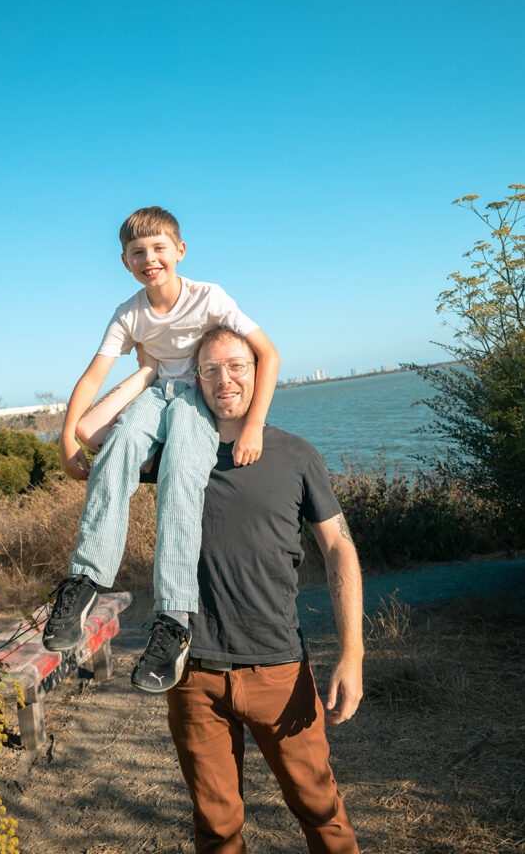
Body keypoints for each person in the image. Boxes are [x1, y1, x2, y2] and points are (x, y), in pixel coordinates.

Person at [43, 206, 280, 696]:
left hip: (196, 399)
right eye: (137, 253)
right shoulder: (129, 312)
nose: (149, 259)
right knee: (118, 452)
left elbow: (268, 353)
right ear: (125, 261)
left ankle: (173, 619)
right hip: (154, 397)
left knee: (180, 482)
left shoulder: (209, 297)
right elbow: (94, 374)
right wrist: (68, 438)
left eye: (158, 249)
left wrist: (254, 423)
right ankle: (85, 582)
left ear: (179, 251)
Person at [166, 325, 363, 854]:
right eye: (209, 369)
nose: (224, 379)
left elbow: (339, 548)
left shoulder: (295, 455)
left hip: (278, 668)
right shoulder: (173, 455)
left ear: (259, 372)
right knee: (216, 827)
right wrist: (144, 361)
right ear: (195, 379)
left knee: (321, 811)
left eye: (237, 365)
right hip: (192, 674)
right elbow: (90, 447)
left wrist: (351, 653)